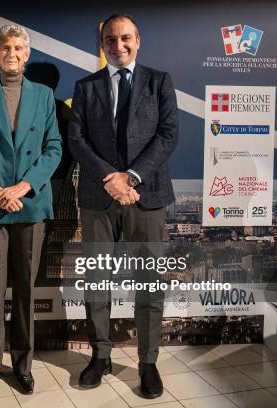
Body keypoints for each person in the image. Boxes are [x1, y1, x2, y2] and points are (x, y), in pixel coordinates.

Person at [68, 14, 178, 398]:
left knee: (149, 283)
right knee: (98, 282)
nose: (119, 45)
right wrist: (110, 179)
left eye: (125, 38)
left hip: (145, 197)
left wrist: (130, 177)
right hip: (99, 199)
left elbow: (168, 135)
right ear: (102, 44)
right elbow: (77, 140)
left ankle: (148, 364)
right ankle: (100, 356)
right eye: (110, 40)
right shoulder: (86, 87)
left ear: (138, 40)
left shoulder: (159, 81)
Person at [0, 24, 62, 397]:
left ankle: (23, 365)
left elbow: (54, 148)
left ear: (27, 54)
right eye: (5, 47)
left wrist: (24, 186)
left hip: (31, 205)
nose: (12, 54)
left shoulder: (45, 97)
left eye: (18, 47)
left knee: (24, 291)